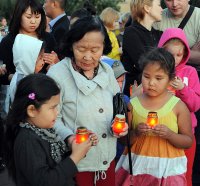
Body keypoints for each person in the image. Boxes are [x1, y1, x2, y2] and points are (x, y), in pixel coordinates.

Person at [47, 16, 128, 186]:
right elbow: (51, 117)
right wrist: (69, 138)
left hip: (106, 159)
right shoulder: (57, 75)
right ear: (71, 45)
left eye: (95, 49)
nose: (88, 56)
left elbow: (117, 107)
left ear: (104, 47)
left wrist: (120, 125)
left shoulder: (107, 71)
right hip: (75, 163)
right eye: (81, 49)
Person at [116, 48, 193, 186]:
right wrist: (136, 132)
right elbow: (123, 140)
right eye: (146, 76)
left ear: (170, 79)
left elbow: (188, 141)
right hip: (137, 169)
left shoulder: (178, 106)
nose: (151, 83)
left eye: (158, 78)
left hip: (167, 171)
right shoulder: (132, 105)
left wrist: (170, 135)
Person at [5, 73, 97, 186]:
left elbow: (55, 161)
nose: (57, 112)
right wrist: (75, 157)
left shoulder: (43, 130)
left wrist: (76, 146)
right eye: (52, 107)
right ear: (32, 110)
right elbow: (45, 181)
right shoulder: (27, 141)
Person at [158, 27, 200, 186]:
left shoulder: (190, 72)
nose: (174, 59)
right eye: (170, 54)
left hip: (185, 134)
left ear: (184, 54)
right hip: (160, 133)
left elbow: (195, 105)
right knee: (161, 177)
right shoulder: (155, 71)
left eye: (179, 55)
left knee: (184, 176)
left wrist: (183, 89)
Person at [0, 0, 58, 84]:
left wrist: (56, 61)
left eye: (37, 17)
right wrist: (14, 78)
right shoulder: (8, 41)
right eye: (28, 17)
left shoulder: (48, 38)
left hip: (44, 90)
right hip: (19, 92)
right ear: (19, 16)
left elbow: (57, 66)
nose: (33, 21)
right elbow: (3, 74)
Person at [122, 0, 163, 97]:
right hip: (136, 94)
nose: (162, 9)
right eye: (159, 5)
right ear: (147, 8)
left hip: (155, 91)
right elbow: (143, 63)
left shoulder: (159, 34)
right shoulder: (131, 33)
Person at [153, 0, 200, 67]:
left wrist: (166, 52)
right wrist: (190, 53)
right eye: (169, 0)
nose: (174, 4)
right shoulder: (157, 17)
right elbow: (152, 55)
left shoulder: (198, 17)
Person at [8, 34, 47, 103]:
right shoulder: (23, 83)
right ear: (28, 59)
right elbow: (33, 102)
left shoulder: (25, 76)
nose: (43, 62)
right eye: (40, 58)